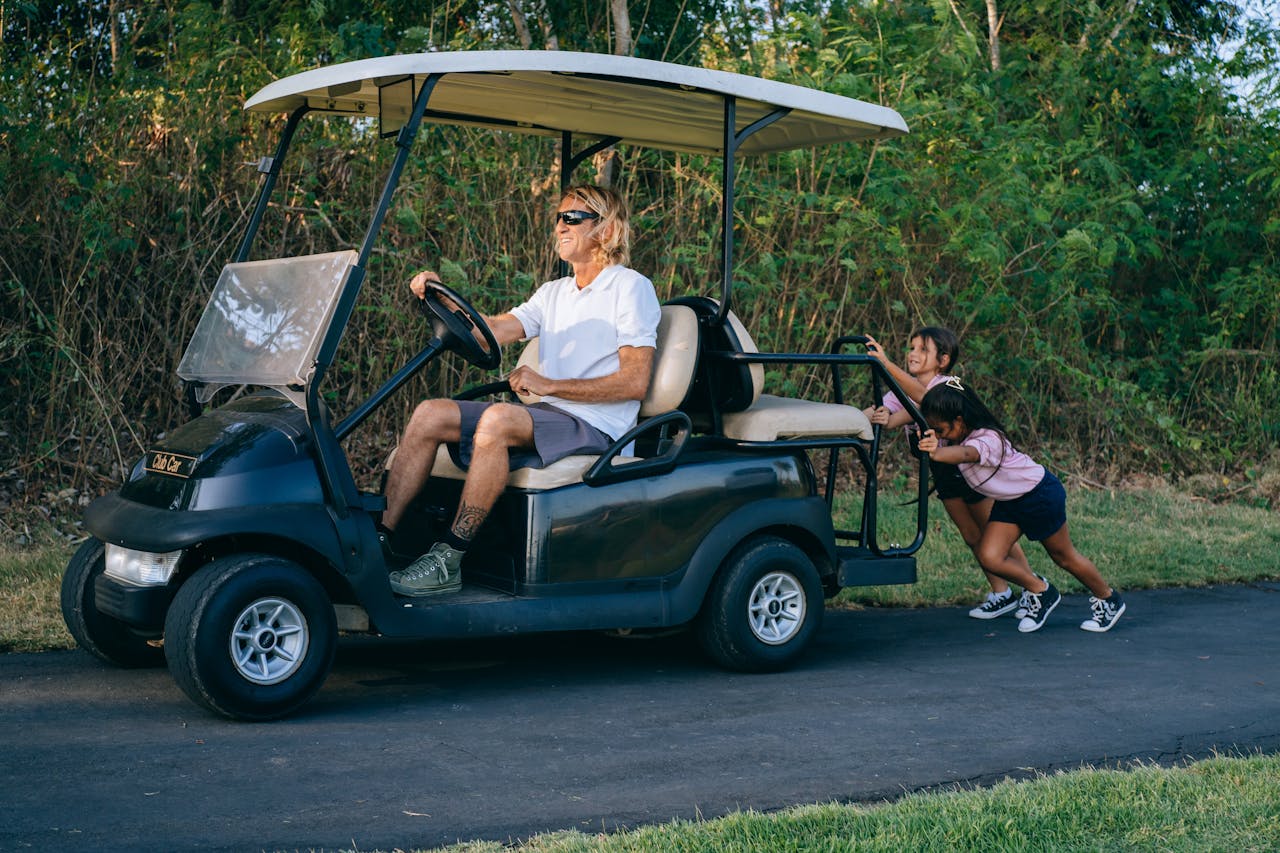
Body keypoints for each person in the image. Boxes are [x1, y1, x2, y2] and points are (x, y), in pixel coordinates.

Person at [380, 185, 661, 596]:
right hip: (551, 417)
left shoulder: (629, 287)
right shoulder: (554, 293)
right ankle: (379, 540)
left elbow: (635, 382)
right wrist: (443, 298)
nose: (560, 226)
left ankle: (449, 558)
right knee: (429, 413)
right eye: (559, 217)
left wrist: (548, 384)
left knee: (496, 419)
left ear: (606, 229)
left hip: (598, 425)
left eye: (573, 218)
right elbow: (491, 330)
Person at [917, 379, 1126, 633]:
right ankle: (1041, 591)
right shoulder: (955, 439)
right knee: (989, 556)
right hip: (1010, 502)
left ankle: (1108, 599)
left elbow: (967, 454)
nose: (938, 436)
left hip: (1039, 495)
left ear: (959, 420)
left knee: (1064, 556)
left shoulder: (988, 438)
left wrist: (936, 453)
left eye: (940, 430)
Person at [862, 328, 1034, 620]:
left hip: (971, 466)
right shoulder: (903, 388)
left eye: (922, 350)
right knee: (970, 534)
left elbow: (927, 399)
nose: (913, 354)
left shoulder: (950, 383)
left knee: (994, 532)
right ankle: (1001, 592)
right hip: (943, 468)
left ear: (943, 360)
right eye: (911, 347)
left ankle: (1033, 589)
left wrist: (885, 365)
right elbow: (888, 412)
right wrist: (868, 417)